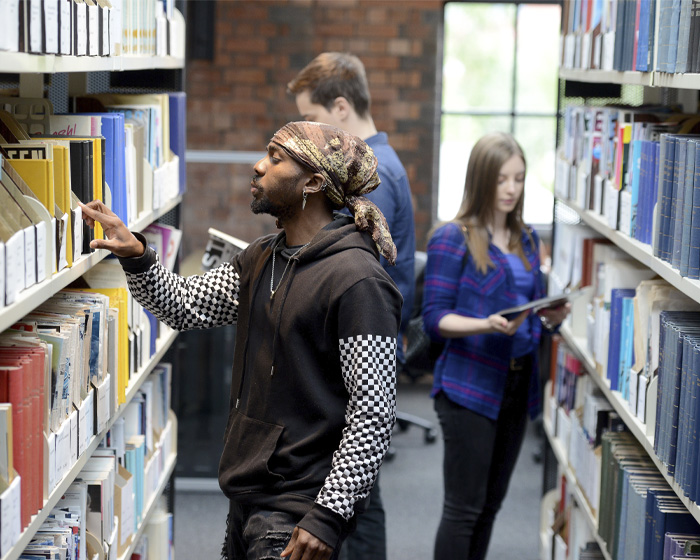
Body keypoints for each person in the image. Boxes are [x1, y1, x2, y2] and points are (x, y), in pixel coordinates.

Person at [80, 121, 402, 560]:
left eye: (275, 158)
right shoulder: (263, 257)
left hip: (299, 508)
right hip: (249, 492)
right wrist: (137, 255)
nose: (258, 166)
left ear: (314, 182)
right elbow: (184, 305)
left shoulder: (359, 281)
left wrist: (328, 515)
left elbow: (374, 412)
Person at [287, 51, 416, 560]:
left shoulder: (371, 175)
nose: (308, 137)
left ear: (340, 108)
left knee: (352, 494)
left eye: (312, 120)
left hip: (358, 348)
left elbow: (342, 270)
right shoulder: (376, 162)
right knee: (355, 489)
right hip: (360, 343)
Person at [421, 132, 569, 560]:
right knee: (463, 509)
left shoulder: (526, 239)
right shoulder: (453, 236)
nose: (511, 188)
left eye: (519, 179)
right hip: (468, 387)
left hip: (518, 385)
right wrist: (483, 324)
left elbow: (529, 309)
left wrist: (550, 319)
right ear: (481, 179)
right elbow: (435, 318)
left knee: (490, 507)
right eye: (502, 178)